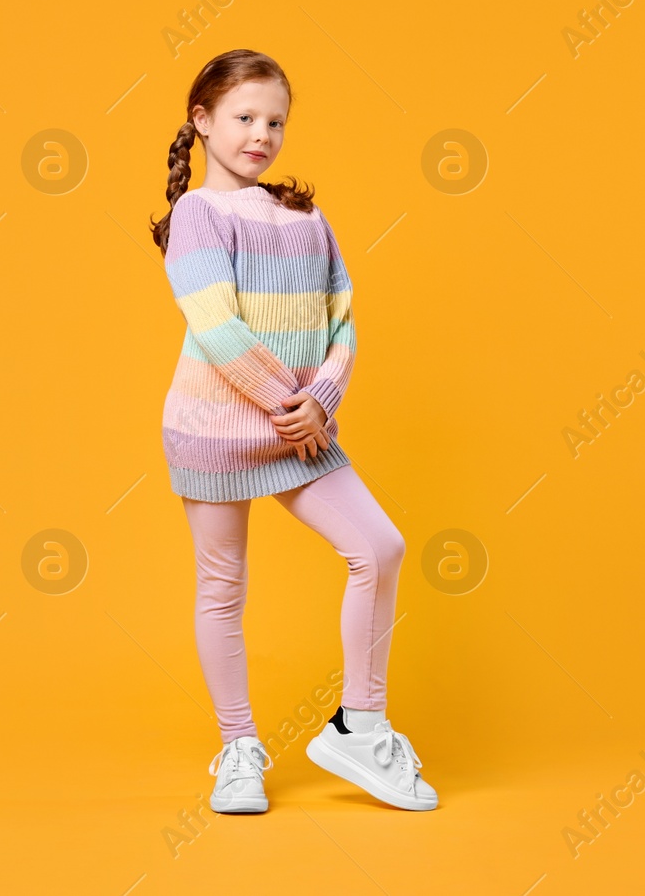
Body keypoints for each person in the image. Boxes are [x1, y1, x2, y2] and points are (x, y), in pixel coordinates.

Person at [150, 49, 437, 814]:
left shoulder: (306, 215)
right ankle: (238, 747)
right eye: (244, 118)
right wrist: (290, 403)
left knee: (379, 547)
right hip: (216, 431)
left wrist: (323, 397)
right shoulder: (196, 216)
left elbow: (342, 314)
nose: (261, 134)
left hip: (303, 427)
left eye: (275, 120)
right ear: (202, 122)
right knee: (222, 586)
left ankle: (359, 724)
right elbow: (215, 324)